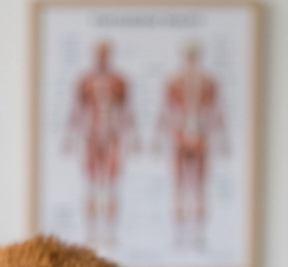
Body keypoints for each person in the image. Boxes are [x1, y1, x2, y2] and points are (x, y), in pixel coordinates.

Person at [63, 40, 137, 249]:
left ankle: (110, 232)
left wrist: (133, 137)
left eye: (106, 53)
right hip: (91, 136)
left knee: (111, 187)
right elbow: (77, 109)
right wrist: (69, 136)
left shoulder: (119, 81)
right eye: (99, 53)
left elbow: (127, 111)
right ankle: (91, 233)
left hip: (112, 135)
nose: (102, 57)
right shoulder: (85, 81)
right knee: (92, 186)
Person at [154, 42, 228, 246]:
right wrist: (157, 137)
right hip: (180, 135)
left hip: (200, 135)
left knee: (199, 186)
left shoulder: (208, 82)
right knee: (179, 185)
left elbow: (215, 111)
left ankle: (198, 235)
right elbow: (165, 110)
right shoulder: (174, 82)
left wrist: (222, 138)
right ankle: (179, 235)